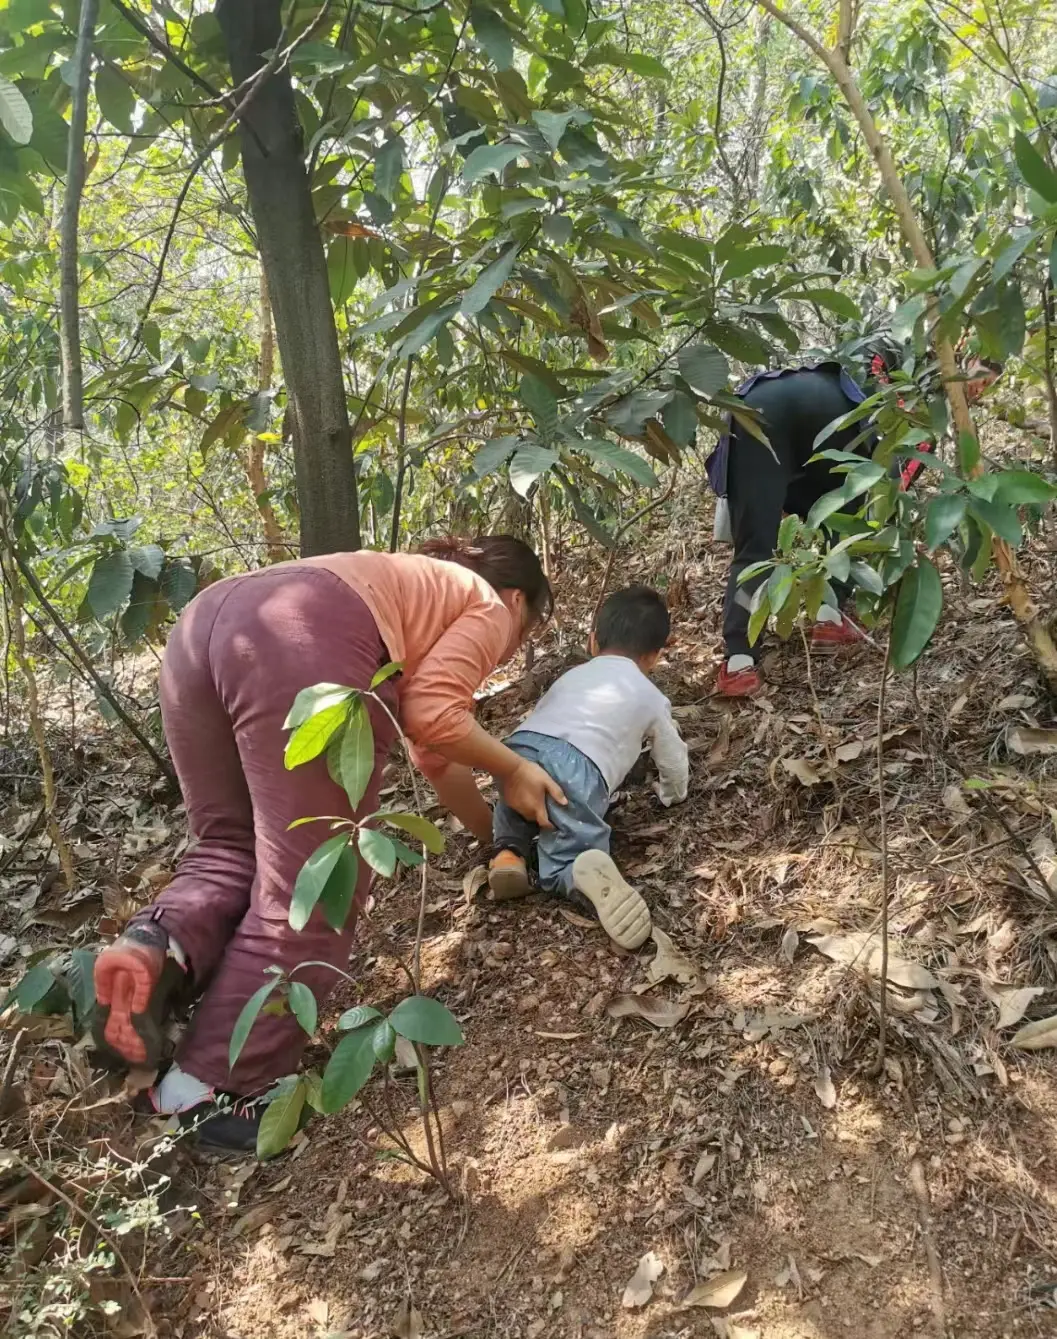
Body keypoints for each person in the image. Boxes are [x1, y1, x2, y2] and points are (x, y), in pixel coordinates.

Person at [92, 536, 560, 1151]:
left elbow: (439, 756)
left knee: (227, 847)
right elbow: (436, 716)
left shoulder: (409, 587)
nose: (506, 647)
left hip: (203, 627)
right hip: (298, 639)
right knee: (315, 884)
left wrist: (496, 841)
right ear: (518, 599)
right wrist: (515, 771)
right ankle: (204, 1092)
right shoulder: (486, 603)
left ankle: (160, 947)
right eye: (521, 633)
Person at [708, 350, 1002, 698]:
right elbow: (888, 489)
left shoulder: (904, 359)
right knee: (855, 510)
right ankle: (828, 617)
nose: (980, 390)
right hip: (831, 411)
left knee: (756, 545)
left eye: (989, 386)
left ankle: (740, 661)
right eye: (981, 377)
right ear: (962, 362)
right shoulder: (920, 400)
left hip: (760, 399)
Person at [486, 586, 689, 949]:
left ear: (593, 641)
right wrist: (673, 793)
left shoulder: (572, 676)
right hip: (579, 768)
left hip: (518, 753)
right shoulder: (651, 697)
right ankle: (578, 870)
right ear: (655, 656)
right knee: (566, 851)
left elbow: (542, 717)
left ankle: (508, 854)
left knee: (513, 805)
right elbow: (672, 758)